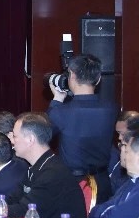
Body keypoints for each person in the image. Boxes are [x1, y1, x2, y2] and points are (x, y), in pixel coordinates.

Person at [0, 112, 88, 218]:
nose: (12, 141)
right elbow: (12, 199)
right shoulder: (36, 167)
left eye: (14, 136)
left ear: (30, 140)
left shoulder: (53, 173)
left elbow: (25, 210)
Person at [48, 53, 116, 200]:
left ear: (72, 75)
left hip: (73, 185)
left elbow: (45, 135)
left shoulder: (61, 112)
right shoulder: (111, 109)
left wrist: (57, 100)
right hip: (103, 181)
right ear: (98, 79)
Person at [88, 120, 139, 218]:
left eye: (126, 149)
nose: (122, 152)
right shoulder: (130, 182)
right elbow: (98, 211)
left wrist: (100, 215)